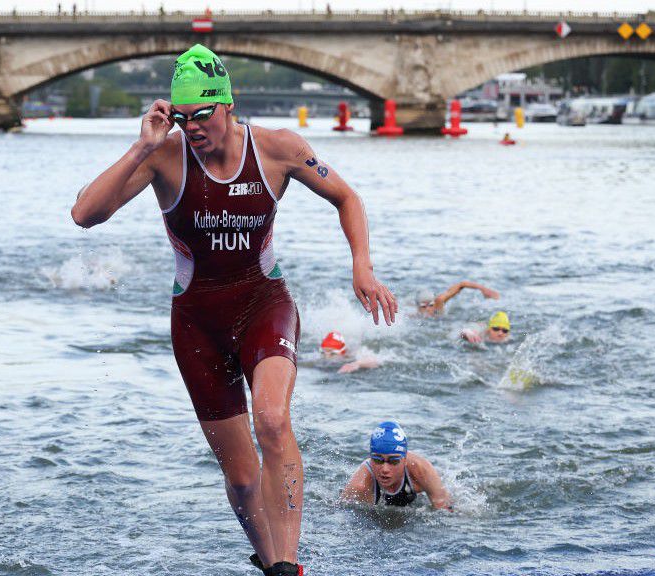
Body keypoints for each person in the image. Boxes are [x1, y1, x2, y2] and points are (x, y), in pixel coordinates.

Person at [70, 44, 397, 576]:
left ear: (227, 104)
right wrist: (141, 147)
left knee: (271, 420)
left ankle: (290, 563)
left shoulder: (277, 149)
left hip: (263, 302)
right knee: (243, 478)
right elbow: (85, 213)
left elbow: (347, 197)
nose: (193, 127)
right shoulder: (165, 156)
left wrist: (362, 264)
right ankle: (271, 564)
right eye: (182, 116)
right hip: (196, 322)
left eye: (202, 114)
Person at [340, 421, 452, 510]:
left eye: (393, 461)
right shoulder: (360, 486)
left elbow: (446, 510)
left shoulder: (421, 470)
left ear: (404, 460)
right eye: (378, 460)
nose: (384, 469)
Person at [415, 281, 500, 318]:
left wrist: (483, 289)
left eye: (431, 305)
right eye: (423, 306)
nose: (428, 309)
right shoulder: (414, 317)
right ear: (418, 308)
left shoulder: (439, 302)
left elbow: (461, 284)